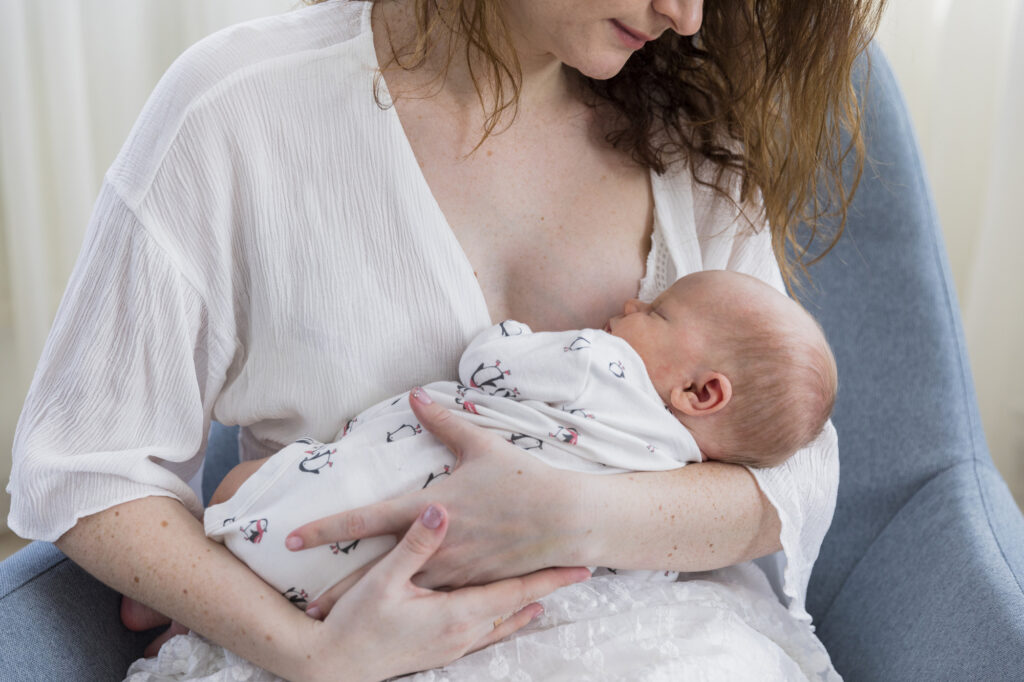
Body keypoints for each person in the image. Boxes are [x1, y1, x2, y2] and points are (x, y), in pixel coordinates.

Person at [6, 0, 884, 679]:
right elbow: (86, 468)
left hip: (640, 640)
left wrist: (560, 517)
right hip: (333, 644)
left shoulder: (695, 142)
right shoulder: (236, 114)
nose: (687, 15)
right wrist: (313, 656)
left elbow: (791, 475)